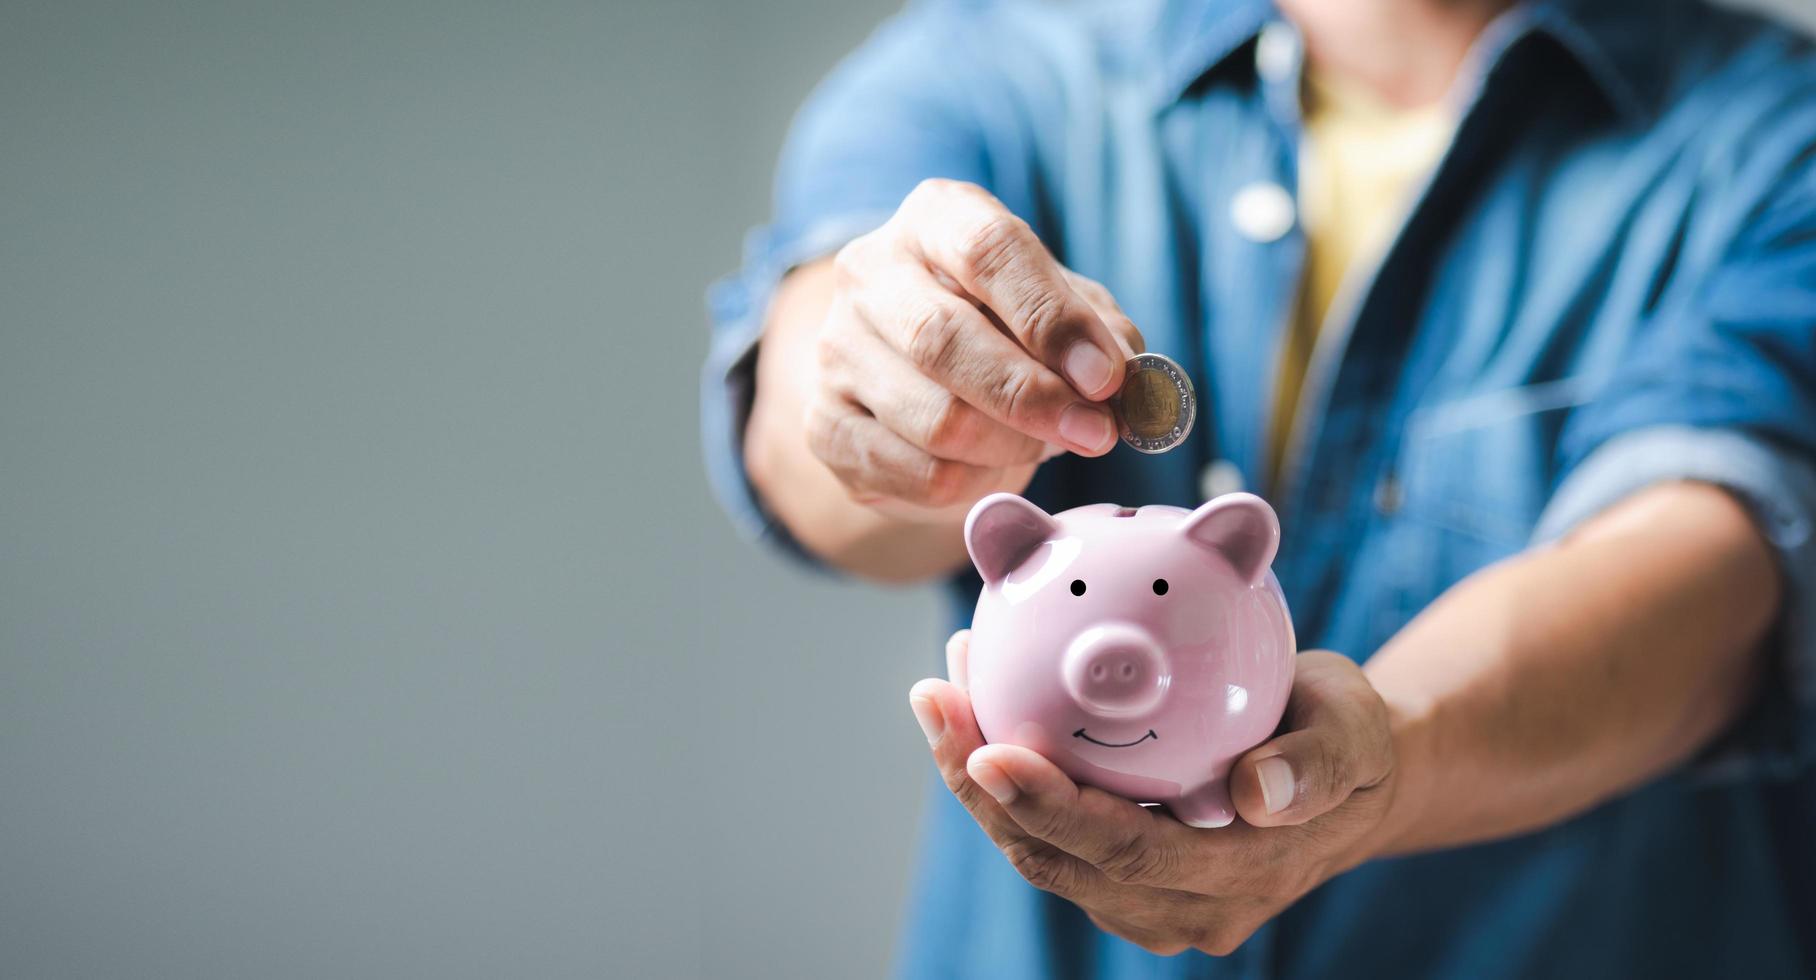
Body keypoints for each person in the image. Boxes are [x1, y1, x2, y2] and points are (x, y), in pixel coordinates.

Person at [702, 0, 1816, 975]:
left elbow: (1709, 582)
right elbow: (812, 425)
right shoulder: (993, 65)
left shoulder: (1781, 140)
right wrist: (886, 408)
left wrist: (1388, 756)